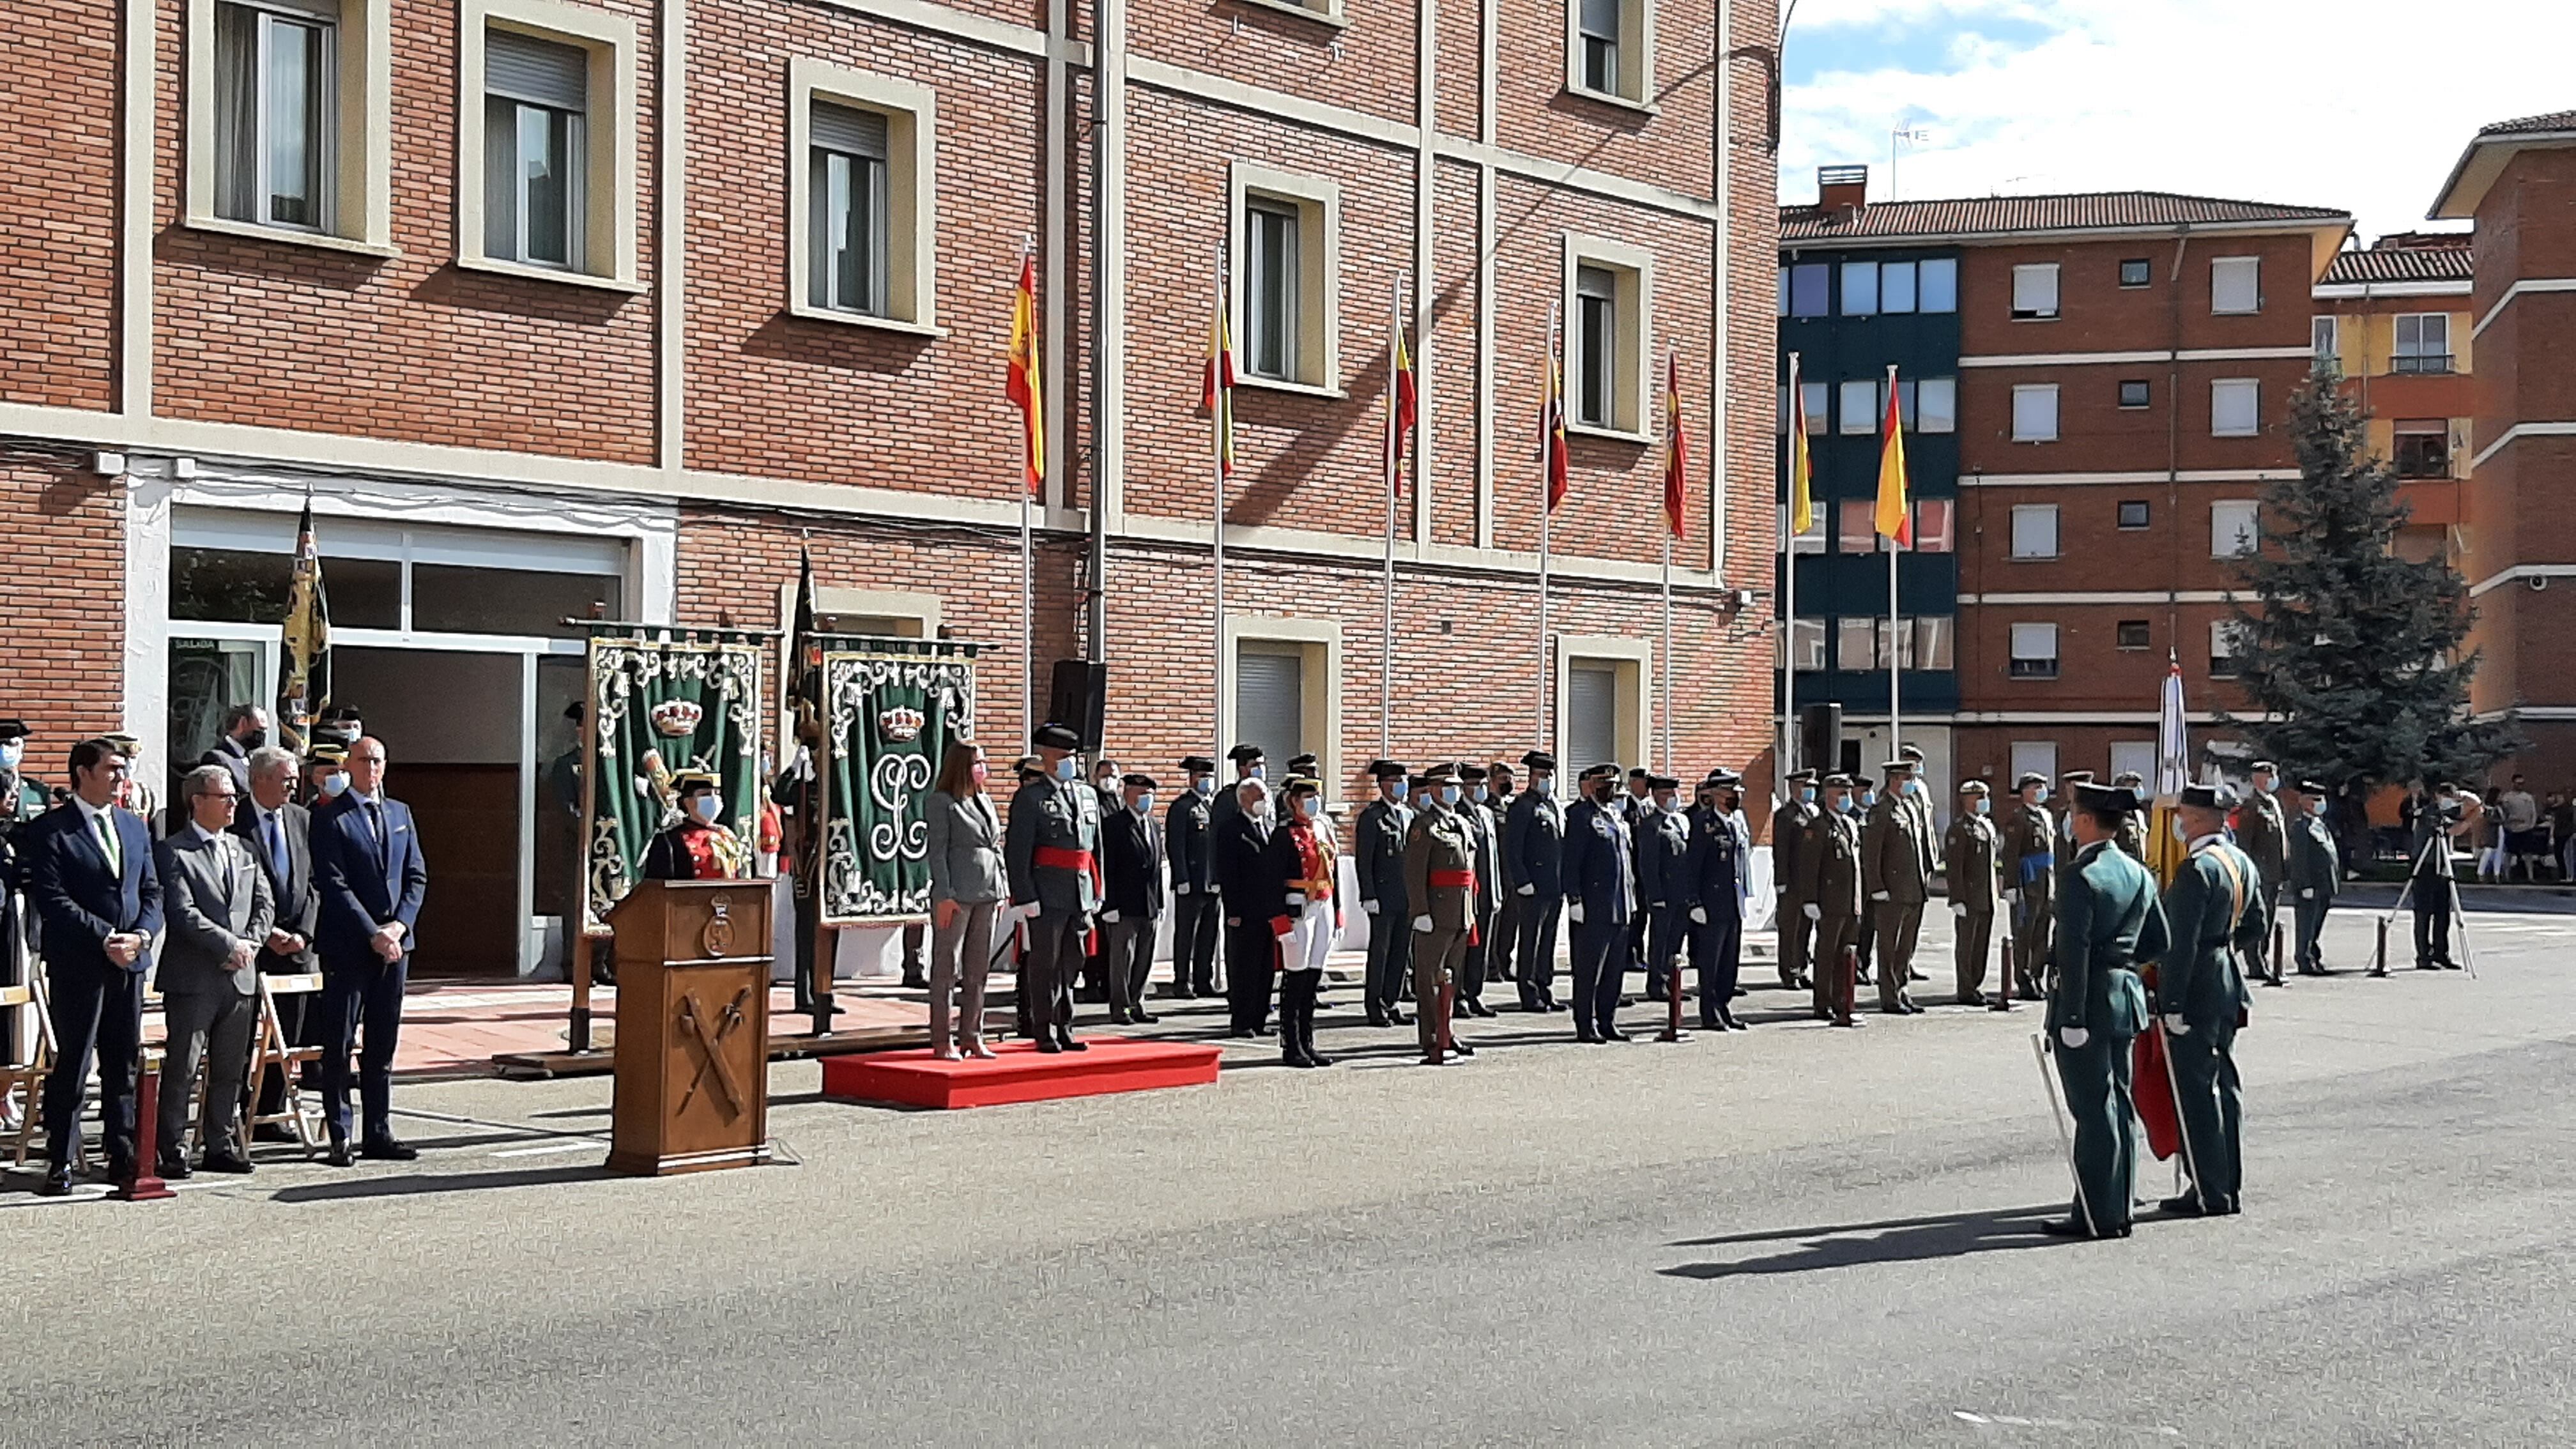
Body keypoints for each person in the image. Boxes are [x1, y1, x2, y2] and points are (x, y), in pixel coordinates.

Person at [25, 738, 164, 1194]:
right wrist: (105, 937)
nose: (121, 776)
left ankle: (122, 1153)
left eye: (123, 769)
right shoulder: (52, 830)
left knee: (122, 1061)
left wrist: (140, 935)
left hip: (129, 962)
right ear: (83, 773)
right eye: (112, 768)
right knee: (75, 1061)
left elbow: (152, 892)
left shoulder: (134, 826)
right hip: (80, 964)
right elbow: (53, 899)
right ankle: (61, 1158)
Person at [2040, 781, 2168, 1240]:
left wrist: (2071, 1016)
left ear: (2088, 821)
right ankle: (2118, 1205)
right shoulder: (2136, 872)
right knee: (2118, 1105)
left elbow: (2072, 952)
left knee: (2094, 1110)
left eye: (2075, 814)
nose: (2071, 821)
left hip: (2089, 1004)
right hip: (2124, 996)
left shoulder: (2081, 875)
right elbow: (2160, 940)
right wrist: (2125, 961)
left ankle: (2096, 1214)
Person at [309, 735, 428, 1165]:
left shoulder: (400, 813)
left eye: (377, 759)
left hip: (395, 947)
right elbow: (334, 884)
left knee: (382, 1044)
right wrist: (372, 932)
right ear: (349, 766)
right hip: (349, 946)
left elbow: (416, 876)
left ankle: (379, 1131)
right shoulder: (330, 818)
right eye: (363, 760)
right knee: (340, 1044)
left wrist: (398, 926)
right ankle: (340, 1135)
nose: (371, 767)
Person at [153, 765, 277, 1179]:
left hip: (240, 977)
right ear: (197, 801)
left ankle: (219, 1143)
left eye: (233, 797)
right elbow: (182, 912)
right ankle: (172, 1148)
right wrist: (228, 944)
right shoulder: (174, 851)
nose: (232, 805)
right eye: (225, 797)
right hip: (194, 978)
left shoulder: (244, 850)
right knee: (184, 1067)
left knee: (229, 1068)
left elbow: (264, 904)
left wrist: (251, 945)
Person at [2154, 784, 2260, 1218]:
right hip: (2227, 978)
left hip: (2197, 985)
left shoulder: (2198, 869)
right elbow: (2257, 925)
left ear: (2194, 818)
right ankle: (2227, 1183)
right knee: (2226, 1087)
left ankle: (2209, 1189)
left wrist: (2171, 1001)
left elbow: (2180, 945)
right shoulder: (2240, 863)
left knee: (2197, 1091)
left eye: (2181, 814)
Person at [233, 744, 318, 1137]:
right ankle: (234, 1111)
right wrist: (266, 934)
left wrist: (303, 933)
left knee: (289, 1032)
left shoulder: (302, 819)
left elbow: (314, 883)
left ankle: (271, 1108)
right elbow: (234, 888)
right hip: (252, 946)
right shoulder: (236, 819)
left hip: (297, 948)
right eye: (286, 778)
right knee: (241, 1033)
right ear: (261, 779)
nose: (293, 784)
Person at [1004, 723, 1101, 1054]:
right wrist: (1025, 895)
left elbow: (1094, 848)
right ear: (1046, 759)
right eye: (1062, 757)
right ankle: (1043, 1028)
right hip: (1046, 893)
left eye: (1072, 757)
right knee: (1045, 963)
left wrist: (1097, 891)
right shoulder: (1031, 798)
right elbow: (1018, 851)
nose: (1069, 763)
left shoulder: (1087, 795)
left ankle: (1066, 1025)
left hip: (1080, 892)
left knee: (1072, 962)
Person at [921, 742, 1004, 1061]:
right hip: (956, 895)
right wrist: (944, 893)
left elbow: (995, 847)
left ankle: (972, 1034)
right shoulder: (943, 802)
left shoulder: (984, 800)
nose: (982, 768)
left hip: (987, 891)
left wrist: (1002, 887)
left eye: (984, 761)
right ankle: (942, 1039)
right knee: (947, 967)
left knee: (978, 969)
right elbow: (937, 851)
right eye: (976, 762)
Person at [1401, 764, 1480, 1065]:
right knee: (1430, 978)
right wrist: (1420, 910)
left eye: (1457, 787)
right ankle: (1432, 1035)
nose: (1454, 792)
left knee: (1452, 976)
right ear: (1433, 790)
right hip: (1436, 911)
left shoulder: (1461, 823)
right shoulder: (1425, 826)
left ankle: (1448, 1030)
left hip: (1461, 912)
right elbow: (1414, 872)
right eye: (1448, 787)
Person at [1261, 775, 1340, 1068]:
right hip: (1299, 907)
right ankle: (1291, 1043)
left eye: (1316, 796)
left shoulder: (1322, 829)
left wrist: (1339, 910)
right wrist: (1279, 921)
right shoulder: (1284, 835)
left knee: (1313, 977)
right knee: (1295, 977)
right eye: (1306, 797)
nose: (1313, 802)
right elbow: (1270, 881)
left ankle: (1308, 1041)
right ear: (1294, 801)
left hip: (1324, 903)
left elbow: (1333, 873)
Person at [1560, 763, 1636, 1044]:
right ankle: (1585, 1023)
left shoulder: (1616, 816)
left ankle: (1608, 1020)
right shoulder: (1581, 817)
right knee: (1589, 970)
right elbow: (1572, 861)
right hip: (1594, 906)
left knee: (1614, 971)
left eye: (1614, 784)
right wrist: (1575, 898)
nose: (1610, 789)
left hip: (1621, 905)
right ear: (1591, 786)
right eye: (1604, 784)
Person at [1682, 769, 1751, 1031]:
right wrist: (1694, 901)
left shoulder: (1735, 822)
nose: (1735, 797)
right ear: (1717, 794)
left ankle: (1724, 1006)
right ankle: (1709, 1013)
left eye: (1737, 793)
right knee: (1710, 962)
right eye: (1731, 792)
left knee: (1729, 962)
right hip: (1711, 903)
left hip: (1733, 902)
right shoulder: (1703, 824)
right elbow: (1693, 866)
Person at [1862, 758, 1931, 1015]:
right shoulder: (1882, 811)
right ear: (1894, 780)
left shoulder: (1908, 807)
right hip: (1891, 890)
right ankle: (1889, 996)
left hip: (1913, 888)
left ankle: (1902, 989)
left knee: (1906, 946)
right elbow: (1871, 853)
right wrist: (1877, 886)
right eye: (1908, 779)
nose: (1912, 784)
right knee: (1889, 946)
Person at [1099, 771, 1166, 1027]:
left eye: (1150, 795)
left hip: (1148, 904)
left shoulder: (1153, 824)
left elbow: (1156, 868)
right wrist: (1109, 904)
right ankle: (1120, 1007)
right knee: (1122, 960)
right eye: (1141, 794)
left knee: (1144, 959)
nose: (1147, 799)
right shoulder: (1114, 824)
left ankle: (1137, 1002)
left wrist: (1159, 902)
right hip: (1123, 905)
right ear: (1127, 795)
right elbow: (1109, 867)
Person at [1798, 774, 1864, 1025]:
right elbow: (1809, 866)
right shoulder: (1818, 827)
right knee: (1827, 954)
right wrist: (1810, 899)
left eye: (1848, 793)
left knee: (1847, 954)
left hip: (1850, 901)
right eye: (1841, 794)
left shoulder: (1850, 824)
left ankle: (1843, 1000)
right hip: (1829, 901)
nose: (1846, 799)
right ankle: (1823, 1001)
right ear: (1829, 797)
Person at [1503, 751, 1565, 1013]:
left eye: (1549, 775)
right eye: (1541, 775)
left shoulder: (1553, 805)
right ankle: (1528, 992)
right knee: (1530, 939)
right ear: (1531, 777)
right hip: (1533, 884)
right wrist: (1522, 880)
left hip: (1554, 883)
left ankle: (1545, 986)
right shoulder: (1523, 806)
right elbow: (1513, 848)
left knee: (1548, 939)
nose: (1546, 779)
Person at [1354, 759, 1414, 1028]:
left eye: (1404, 781)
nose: (1401, 786)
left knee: (1401, 951)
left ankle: (1393, 1001)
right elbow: (1364, 859)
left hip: (1407, 896)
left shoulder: (1410, 814)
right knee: (1381, 952)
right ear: (1383, 785)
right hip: (1382, 895)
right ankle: (1375, 1004)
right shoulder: (1372, 817)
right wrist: (1368, 894)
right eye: (1395, 781)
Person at [1216, 777, 1278, 1038]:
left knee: (1265, 968)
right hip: (1244, 911)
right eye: (1258, 797)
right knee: (1245, 967)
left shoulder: (1269, 827)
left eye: (1265, 796)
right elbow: (1228, 874)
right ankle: (1242, 1021)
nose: (1263, 802)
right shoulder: (1232, 829)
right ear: (1243, 800)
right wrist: (1234, 912)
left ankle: (1260, 1018)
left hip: (1268, 911)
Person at [0, 717, 50, 997]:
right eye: (2, 744)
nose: (7, 750)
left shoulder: (37, 791)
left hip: (29, 892)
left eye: (13, 744)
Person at [1943, 778, 2004, 1006]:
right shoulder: (1960, 829)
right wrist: (1956, 898)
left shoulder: (1986, 825)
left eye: (1986, 797)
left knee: (1981, 944)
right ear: (1966, 800)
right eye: (1979, 797)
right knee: (1967, 945)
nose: (1984, 801)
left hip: (1986, 896)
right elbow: (1955, 867)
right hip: (1968, 897)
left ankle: (1977, 985)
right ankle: (1966, 988)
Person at [1997, 772, 2055, 1005]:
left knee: (2042, 932)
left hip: (2046, 881)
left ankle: (2037, 975)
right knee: (2025, 933)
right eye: (2036, 787)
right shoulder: (2019, 819)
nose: (2041, 790)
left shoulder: (2046, 816)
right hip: (2028, 882)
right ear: (2024, 791)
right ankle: (2024, 978)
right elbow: (2011, 855)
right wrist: (2011, 885)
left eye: (2043, 786)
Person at [1165, 756, 1220, 999]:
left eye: (1208, 777)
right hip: (1192, 881)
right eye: (1201, 777)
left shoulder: (1214, 807)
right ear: (1191, 778)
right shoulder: (1183, 807)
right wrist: (1181, 878)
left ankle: (1203, 980)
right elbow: (1175, 845)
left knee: (1209, 933)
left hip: (1211, 882)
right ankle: (1181, 981)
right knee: (1187, 933)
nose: (1205, 782)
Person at [1634, 774, 1691, 1006]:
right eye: (1667, 794)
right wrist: (1655, 895)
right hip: (1664, 893)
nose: (1673, 798)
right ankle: (1657, 982)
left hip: (1682, 892)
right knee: (1661, 940)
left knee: (1676, 941)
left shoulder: (1681, 821)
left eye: (1674, 794)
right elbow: (1648, 864)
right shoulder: (1651, 825)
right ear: (1656, 796)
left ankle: (1673, 982)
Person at [1453, 762, 1502, 1018]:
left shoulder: (1486, 813)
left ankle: (1475, 993)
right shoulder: (1460, 814)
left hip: (1489, 891)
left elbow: (1493, 857)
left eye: (1484, 785)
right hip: (1470, 894)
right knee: (1465, 948)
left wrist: (1497, 892)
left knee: (1482, 949)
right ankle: (1459, 996)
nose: (1482, 790)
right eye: (1476, 785)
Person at [2234, 762, 2288, 988]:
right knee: (2258, 918)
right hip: (2260, 874)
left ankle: (2264, 959)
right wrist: (2249, 874)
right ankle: (2255, 963)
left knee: (2270, 918)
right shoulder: (2252, 806)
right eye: (2269, 776)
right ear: (2257, 779)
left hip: (2274, 873)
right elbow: (2245, 844)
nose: (2273, 779)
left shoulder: (2272, 803)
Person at [640, 770, 752, 881]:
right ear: (687, 802)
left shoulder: (726, 836)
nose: (714, 799)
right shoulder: (670, 841)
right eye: (705, 795)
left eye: (717, 793)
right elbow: (657, 888)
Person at [2409, 781, 2467, 971]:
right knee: (2424, 912)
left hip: (2442, 864)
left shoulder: (2450, 812)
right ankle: (2423, 955)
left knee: (2443, 913)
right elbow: (2447, 827)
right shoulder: (2429, 812)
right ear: (2438, 796)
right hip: (2425, 864)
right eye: (2448, 797)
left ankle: (2441, 953)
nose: (2451, 802)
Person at [1769, 769, 1818, 991]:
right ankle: (1788, 971)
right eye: (1805, 786)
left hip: (1810, 882)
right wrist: (1781, 882)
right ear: (1794, 788)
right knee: (1790, 929)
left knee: (1806, 929)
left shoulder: (1814, 813)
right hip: (1792, 881)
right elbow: (1781, 851)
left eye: (1812, 787)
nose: (1810, 791)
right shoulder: (1786, 815)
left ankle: (1801, 967)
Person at [2282, 779, 2338, 975]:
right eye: (2316, 800)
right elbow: (2300, 859)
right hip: (2310, 885)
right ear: (2305, 802)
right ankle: (2304, 959)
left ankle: (2314, 956)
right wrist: (2305, 884)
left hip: (2323, 885)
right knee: (2306, 924)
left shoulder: (2319, 824)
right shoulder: (2301, 826)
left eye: (2322, 799)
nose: (2321, 803)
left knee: (2316, 925)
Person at [1482, 762, 1519, 985]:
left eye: (1511, 779)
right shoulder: (1487, 808)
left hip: (1511, 873)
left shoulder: (1512, 806)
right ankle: (1491, 966)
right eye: (1504, 779)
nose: (1509, 784)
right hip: (1494, 872)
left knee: (1510, 923)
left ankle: (1505, 962)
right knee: (1494, 924)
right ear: (1493, 781)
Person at [198, 703, 272, 799]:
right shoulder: (217, 758)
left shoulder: (253, 759)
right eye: (260, 730)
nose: (262, 736)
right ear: (243, 723)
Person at [2499, 774, 2542, 882]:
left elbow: (2533, 813)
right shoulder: (2507, 798)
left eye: (2522, 784)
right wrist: (2508, 824)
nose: (2520, 786)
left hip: (2526, 829)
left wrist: (2531, 825)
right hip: (2512, 829)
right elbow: (2503, 814)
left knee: (2528, 854)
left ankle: (2531, 877)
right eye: (2518, 783)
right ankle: (2506, 876)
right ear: (2513, 783)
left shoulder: (2528, 798)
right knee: (2509, 853)